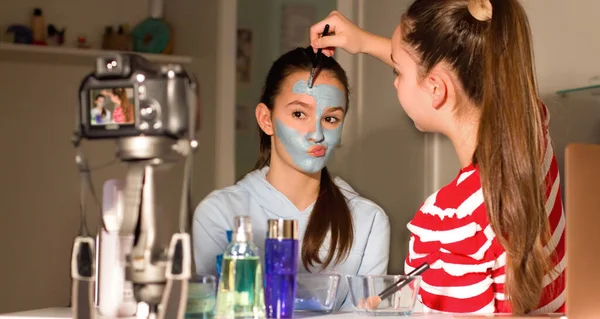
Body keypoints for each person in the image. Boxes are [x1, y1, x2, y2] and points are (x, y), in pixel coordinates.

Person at [309, 0, 565, 315]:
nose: (394, 81)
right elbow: (468, 69)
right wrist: (363, 42)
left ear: (436, 88)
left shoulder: (447, 221)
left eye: (397, 71)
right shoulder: (532, 134)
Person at [192, 47, 390, 310]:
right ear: (266, 119)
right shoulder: (219, 214)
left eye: (331, 118)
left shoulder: (369, 221)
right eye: (299, 114)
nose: (316, 134)